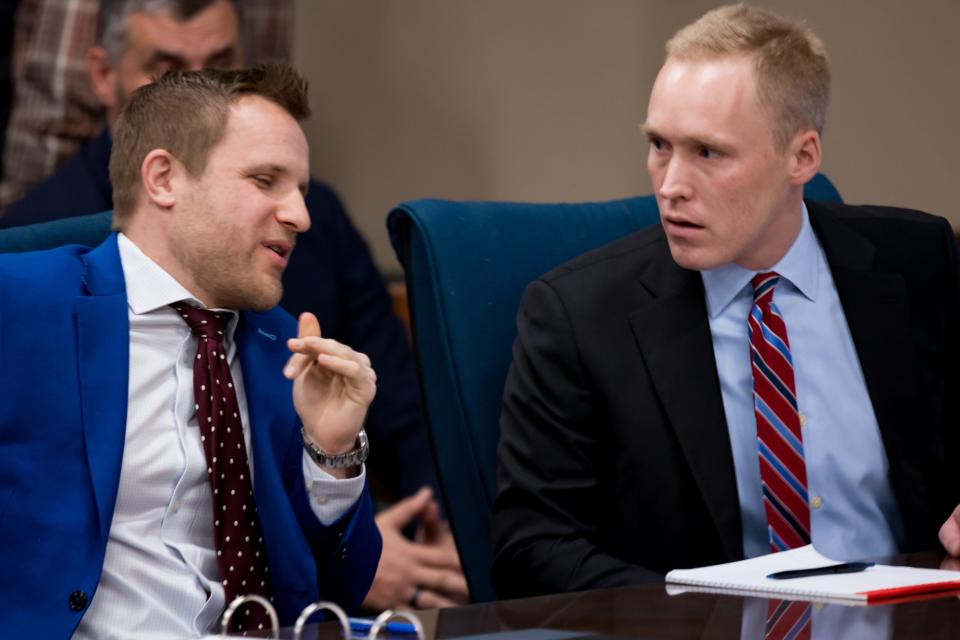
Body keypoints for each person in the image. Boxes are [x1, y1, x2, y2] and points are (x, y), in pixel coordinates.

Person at [1, 0, 467, 610]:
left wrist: (330, 456)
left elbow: (335, 588)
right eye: (265, 181)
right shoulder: (24, 303)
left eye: (300, 188)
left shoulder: (286, 347)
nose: (300, 215)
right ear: (164, 179)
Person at [492, 3, 960, 599]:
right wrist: (706, 611)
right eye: (660, 145)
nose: (670, 185)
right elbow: (530, 551)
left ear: (802, 157)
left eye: (708, 153)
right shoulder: (579, 317)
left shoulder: (916, 262)